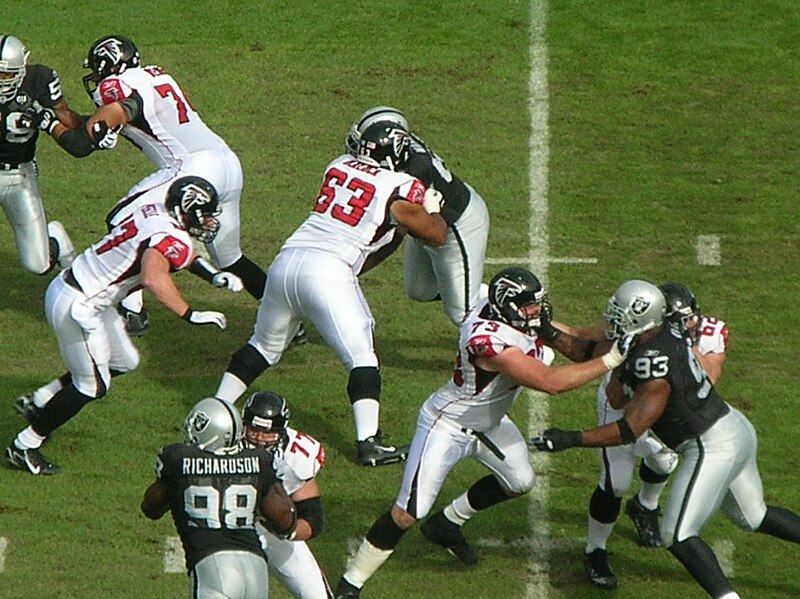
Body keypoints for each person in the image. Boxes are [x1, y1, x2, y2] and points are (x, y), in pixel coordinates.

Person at [333, 267, 637, 598]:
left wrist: (631, 335)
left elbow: (575, 336)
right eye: (528, 306)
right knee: (407, 514)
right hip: (447, 425)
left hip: (488, 423)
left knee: (519, 481)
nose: (537, 312)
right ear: (507, 307)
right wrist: (611, 360)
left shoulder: (509, 315)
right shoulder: (487, 340)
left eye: (536, 304)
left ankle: (447, 523)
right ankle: (351, 583)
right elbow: (551, 383)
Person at [532, 279, 800, 599]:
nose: (612, 318)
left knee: (678, 535)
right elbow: (588, 350)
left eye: (620, 313)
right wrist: (545, 331)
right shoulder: (662, 332)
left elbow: (629, 428)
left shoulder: (652, 361)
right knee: (753, 516)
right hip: (734, 426)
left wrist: (570, 438)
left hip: (710, 445)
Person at [215, 121, 449, 467]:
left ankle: (216, 410)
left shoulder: (337, 166)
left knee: (263, 346)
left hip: (286, 261)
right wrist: (431, 209)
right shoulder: (400, 187)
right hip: (327, 271)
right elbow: (436, 235)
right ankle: (368, 442)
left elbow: (377, 239)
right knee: (363, 357)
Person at [6, 176, 241, 475]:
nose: (208, 221)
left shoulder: (153, 211)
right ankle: (25, 445)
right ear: (186, 209)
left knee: (125, 361)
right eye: (205, 213)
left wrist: (213, 276)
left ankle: (41, 401)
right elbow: (153, 276)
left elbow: (179, 252)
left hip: (84, 290)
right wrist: (189, 313)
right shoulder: (170, 236)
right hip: (79, 305)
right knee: (92, 386)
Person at [42, 34, 268, 335]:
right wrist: (61, 112)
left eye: (97, 70)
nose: (95, 78)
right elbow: (100, 123)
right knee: (230, 257)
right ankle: (283, 318)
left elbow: (82, 143)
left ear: (109, 65)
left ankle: (133, 312)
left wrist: (48, 123)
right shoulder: (156, 75)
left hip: (190, 169)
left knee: (122, 220)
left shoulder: (117, 87)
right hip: (226, 163)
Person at [576, 282, 729, 589]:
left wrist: (683, 346)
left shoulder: (706, 333)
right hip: (624, 404)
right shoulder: (636, 334)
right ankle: (596, 549)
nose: (691, 324)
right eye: (681, 320)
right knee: (615, 483)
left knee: (664, 463)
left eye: (690, 317)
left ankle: (645, 506)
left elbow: (710, 377)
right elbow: (617, 396)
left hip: (669, 408)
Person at [141, 397, 298, 599]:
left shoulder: (178, 459)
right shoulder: (259, 460)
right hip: (256, 567)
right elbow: (285, 520)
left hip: (212, 565)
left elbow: (150, 508)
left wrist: (176, 488)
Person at [346, 106, 489, 325]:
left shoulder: (412, 174)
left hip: (457, 226)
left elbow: (401, 234)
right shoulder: (402, 152)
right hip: (429, 218)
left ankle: (525, 346)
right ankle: (482, 296)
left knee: (463, 314)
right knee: (420, 289)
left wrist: (354, 268)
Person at [0, 34, 87, 275]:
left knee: (38, 264)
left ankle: (57, 242)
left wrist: (45, 115)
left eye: (5, 75)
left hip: (19, 175)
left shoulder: (39, 79)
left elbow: (67, 117)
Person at [242, 391, 334, 599]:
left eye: (268, 432)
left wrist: (287, 530)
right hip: (225, 527)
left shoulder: (297, 455)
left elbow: (312, 518)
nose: (259, 438)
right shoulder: (223, 443)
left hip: (266, 526)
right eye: (254, 429)